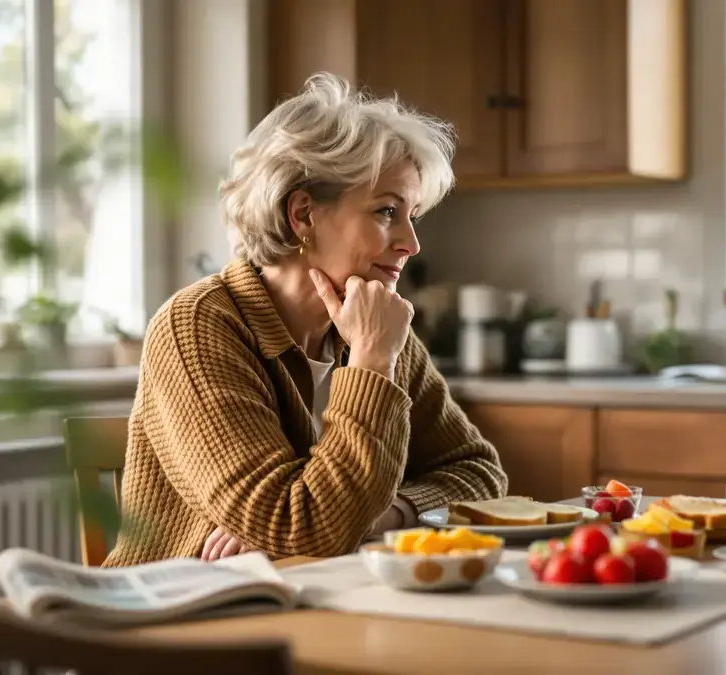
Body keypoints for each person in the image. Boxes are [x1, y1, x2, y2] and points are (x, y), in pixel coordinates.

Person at [102, 73, 509, 566]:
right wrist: (372, 364)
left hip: (318, 596)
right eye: (386, 211)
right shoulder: (199, 327)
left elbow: (479, 473)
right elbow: (302, 526)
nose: (411, 243)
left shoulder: (372, 325)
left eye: (413, 216)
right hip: (181, 620)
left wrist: (385, 513)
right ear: (303, 215)